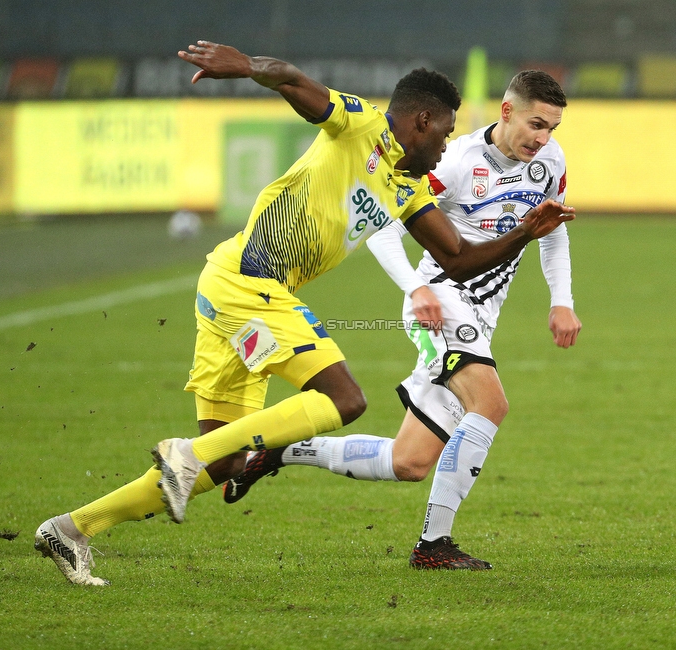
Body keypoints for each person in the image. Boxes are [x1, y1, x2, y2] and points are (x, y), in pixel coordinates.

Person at [34, 42, 575, 586]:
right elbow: (293, 80)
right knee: (344, 400)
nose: (448, 144)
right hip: (248, 283)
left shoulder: (405, 187)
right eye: (445, 132)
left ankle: (72, 528)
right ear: (422, 120)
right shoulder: (361, 124)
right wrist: (245, 66)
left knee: (224, 464)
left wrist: (528, 230)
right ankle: (185, 453)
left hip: (234, 290)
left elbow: (458, 258)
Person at [221, 70, 580, 571]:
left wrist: (560, 300)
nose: (542, 140)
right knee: (491, 403)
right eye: (536, 125)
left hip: (482, 315)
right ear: (506, 111)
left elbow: (553, 231)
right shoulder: (455, 161)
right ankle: (434, 546)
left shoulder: (550, 163)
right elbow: (384, 225)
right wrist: (415, 289)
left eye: (552, 130)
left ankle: (279, 453)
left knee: (407, 462)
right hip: (440, 302)